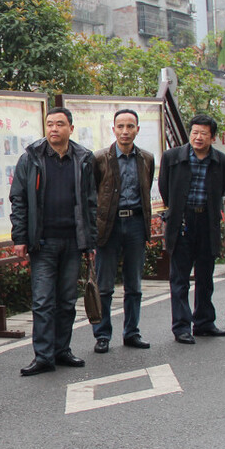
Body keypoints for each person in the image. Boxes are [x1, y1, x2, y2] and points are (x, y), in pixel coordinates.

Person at [10, 106, 97, 375]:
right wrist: (20, 237)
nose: (54, 129)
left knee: (67, 300)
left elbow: (91, 202)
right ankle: (43, 356)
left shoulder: (83, 158)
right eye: (49, 124)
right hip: (43, 241)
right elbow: (19, 199)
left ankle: (62, 350)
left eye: (60, 124)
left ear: (71, 128)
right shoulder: (31, 158)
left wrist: (91, 241)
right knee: (43, 300)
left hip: (73, 240)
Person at [159, 114, 225, 344]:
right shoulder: (173, 158)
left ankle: (204, 322)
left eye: (204, 134)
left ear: (212, 137)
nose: (198, 138)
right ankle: (181, 326)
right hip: (182, 220)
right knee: (179, 278)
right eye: (195, 132)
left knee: (205, 275)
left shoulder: (221, 161)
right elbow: (164, 188)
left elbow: (223, 189)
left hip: (207, 221)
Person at [91, 109, 154, 353]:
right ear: (113, 129)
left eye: (130, 126)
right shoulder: (100, 159)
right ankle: (103, 334)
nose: (125, 131)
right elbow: (93, 192)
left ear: (137, 129)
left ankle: (132, 332)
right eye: (120, 126)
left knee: (134, 285)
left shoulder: (146, 159)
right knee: (105, 285)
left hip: (136, 223)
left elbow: (146, 190)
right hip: (110, 225)